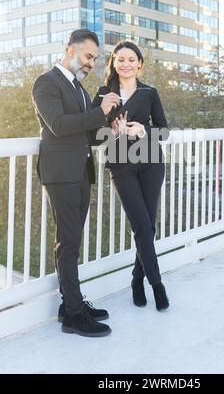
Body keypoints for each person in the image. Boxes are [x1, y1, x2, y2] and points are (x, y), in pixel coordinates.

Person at [32, 29, 120, 337]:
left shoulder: (80, 89)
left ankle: (70, 302)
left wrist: (112, 128)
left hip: (81, 171)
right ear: (70, 50)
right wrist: (100, 112)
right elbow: (57, 126)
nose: (91, 63)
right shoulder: (46, 83)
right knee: (68, 242)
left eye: (95, 59)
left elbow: (87, 134)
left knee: (73, 241)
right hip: (61, 173)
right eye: (87, 56)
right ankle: (73, 314)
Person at [92, 41, 170, 311]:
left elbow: (164, 131)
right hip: (121, 165)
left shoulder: (150, 92)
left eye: (131, 59)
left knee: (149, 226)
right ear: (114, 63)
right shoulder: (104, 94)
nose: (125, 64)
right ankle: (157, 285)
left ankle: (137, 279)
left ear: (140, 64)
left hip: (151, 163)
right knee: (141, 225)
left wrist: (142, 132)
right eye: (120, 59)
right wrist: (112, 131)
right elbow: (91, 135)